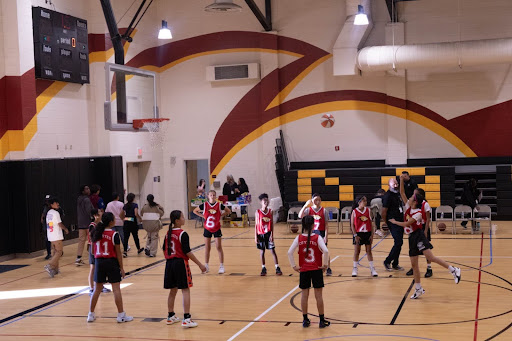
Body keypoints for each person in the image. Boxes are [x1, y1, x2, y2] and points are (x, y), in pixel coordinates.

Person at [390, 175, 461, 299]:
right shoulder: (408, 207)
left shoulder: (417, 213)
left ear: (415, 201)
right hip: (411, 237)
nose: (409, 197)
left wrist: (395, 222)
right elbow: (401, 192)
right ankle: (418, 289)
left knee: (430, 257)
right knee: (414, 265)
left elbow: (407, 224)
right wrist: (401, 180)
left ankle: (453, 270)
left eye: (412, 197)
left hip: (418, 236)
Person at [164, 210, 207, 328]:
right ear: (177, 221)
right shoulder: (182, 234)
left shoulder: (168, 233)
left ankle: (170, 316)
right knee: (185, 290)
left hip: (169, 263)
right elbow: (187, 252)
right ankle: (187, 318)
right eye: (182, 217)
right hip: (180, 263)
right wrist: (200, 265)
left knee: (173, 290)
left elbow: (164, 249)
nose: (184, 218)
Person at [87, 212, 133, 323]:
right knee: (116, 288)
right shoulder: (114, 235)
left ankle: (91, 314)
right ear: (111, 222)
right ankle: (121, 315)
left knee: (97, 290)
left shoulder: (95, 232)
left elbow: (92, 251)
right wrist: (121, 268)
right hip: (111, 262)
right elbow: (118, 254)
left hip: (99, 262)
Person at [287, 215, 330, 328]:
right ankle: (321, 320)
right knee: (318, 296)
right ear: (313, 225)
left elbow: (289, 252)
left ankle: (305, 320)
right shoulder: (317, 237)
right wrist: (325, 265)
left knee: (304, 296)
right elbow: (325, 251)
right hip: (316, 269)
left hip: (304, 270)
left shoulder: (299, 238)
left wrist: (294, 266)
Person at [193, 190, 231, 274]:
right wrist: (203, 216)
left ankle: (221, 266)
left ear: (216, 196)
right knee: (207, 247)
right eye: (211, 195)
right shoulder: (204, 205)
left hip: (216, 228)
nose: (212, 196)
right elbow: (195, 211)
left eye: (214, 195)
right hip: (207, 228)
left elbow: (228, 211)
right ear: (208, 196)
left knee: (218, 247)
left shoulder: (219, 205)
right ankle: (206, 265)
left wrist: (221, 215)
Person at [298, 194, 332, 276]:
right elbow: (300, 216)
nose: (317, 201)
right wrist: (305, 206)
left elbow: (326, 225)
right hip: (311, 232)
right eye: (316, 199)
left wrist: (326, 236)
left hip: (321, 232)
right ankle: (315, 266)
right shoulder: (308, 210)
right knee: (313, 250)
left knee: (324, 250)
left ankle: (328, 268)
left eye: (319, 200)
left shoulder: (324, 211)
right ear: (312, 200)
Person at [406, 187, 433, 278]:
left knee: (426, 250)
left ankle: (429, 268)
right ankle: (414, 268)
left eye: (415, 194)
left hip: (423, 228)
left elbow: (428, 218)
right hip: (415, 229)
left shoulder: (425, 204)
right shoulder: (412, 205)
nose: (413, 195)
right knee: (414, 249)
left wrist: (425, 231)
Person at [255, 193, 282, 276]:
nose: (266, 202)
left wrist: (272, 235)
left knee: (273, 251)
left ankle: (277, 267)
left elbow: (272, 224)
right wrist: (256, 237)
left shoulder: (270, 211)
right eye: (264, 200)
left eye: (267, 200)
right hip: (261, 234)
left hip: (268, 233)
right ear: (261, 202)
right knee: (262, 252)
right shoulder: (258, 212)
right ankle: (263, 268)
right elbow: (256, 225)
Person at [350, 196, 378, 277]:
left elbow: (372, 223)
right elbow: (352, 225)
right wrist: (355, 235)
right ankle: (355, 268)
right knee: (357, 252)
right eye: (364, 201)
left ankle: (372, 269)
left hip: (367, 233)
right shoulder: (354, 212)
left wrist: (372, 235)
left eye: (366, 201)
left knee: (369, 251)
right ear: (359, 202)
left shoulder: (368, 210)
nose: (365, 202)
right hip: (358, 233)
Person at [382, 178, 405, 272]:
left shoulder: (397, 194)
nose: (396, 185)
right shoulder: (387, 196)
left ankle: (395, 263)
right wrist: (387, 223)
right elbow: (384, 212)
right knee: (398, 242)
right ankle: (387, 261)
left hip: (400, 221)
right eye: (393, 183)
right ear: (389, 185)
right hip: (393, 222)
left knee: (399, 242)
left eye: (396, 183)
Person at [87, 209, 111, 295]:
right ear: (95, 215)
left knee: (99, 268)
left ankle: (100, 285)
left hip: (98, 248)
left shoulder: (99, 225)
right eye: (99, 212)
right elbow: (91, 238)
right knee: (93, 268)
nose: (101, 213)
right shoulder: (92, 226)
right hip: (93, 248)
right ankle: (91, 287)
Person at [44, 198, 69, 277]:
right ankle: (50, 265)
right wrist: (65, 229)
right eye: (56, 203)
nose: (58, 204)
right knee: (59, 252)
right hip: (56, 235)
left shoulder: (48, 213)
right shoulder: (55, 213)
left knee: (55, 252)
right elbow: (59, 223)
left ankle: (55, 269)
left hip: (50, 235)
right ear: (51, 205)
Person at [76, 185, 94, 266]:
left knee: (81, 241)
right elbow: (89, 211)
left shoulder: (79, 199)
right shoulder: (86, 200)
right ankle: (92, 257)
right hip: (87, 223)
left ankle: (78, 258)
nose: (88, 189)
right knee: (91, 240)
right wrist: (93, 217)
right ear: (83, 191)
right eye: (86, 188)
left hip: (80, 223)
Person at [123, 193, 144, 257]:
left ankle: (125, 251)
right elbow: (135, 213)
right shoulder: (135, 205)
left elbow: (121, 214)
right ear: (133, 199)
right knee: (135, 236)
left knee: (126, 237)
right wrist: (140, 218)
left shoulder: (125, 205)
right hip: (133, 222)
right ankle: (138, 249)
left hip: (126, 222)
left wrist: (124, 218)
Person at [40, 195, 52, 260]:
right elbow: (43, 213)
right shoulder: (45, 206)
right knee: (47, 238)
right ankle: (49, 253)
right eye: (46, 200)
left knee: (54, 238)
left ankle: (58, 251)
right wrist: (42, 218)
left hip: (52, 223)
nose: (47, 201)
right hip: (46, 223)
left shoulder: (54, 206)